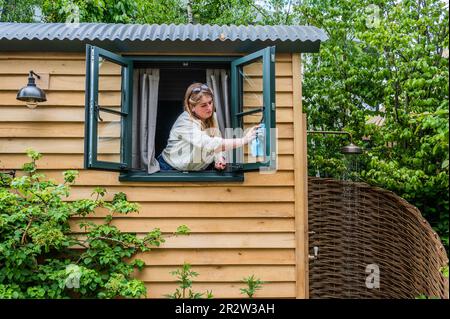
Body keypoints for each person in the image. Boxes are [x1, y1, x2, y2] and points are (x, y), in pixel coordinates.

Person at [157, 82, 260, 171]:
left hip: (195, 172)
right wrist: (243, 140)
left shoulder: (212, 117)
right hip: (168, 168)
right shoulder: (185, 122)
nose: (209, 108)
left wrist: (218, 159)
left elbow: (216, 139)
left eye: (210, 102)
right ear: (192, 107)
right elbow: (208, 143)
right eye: (203, 105)